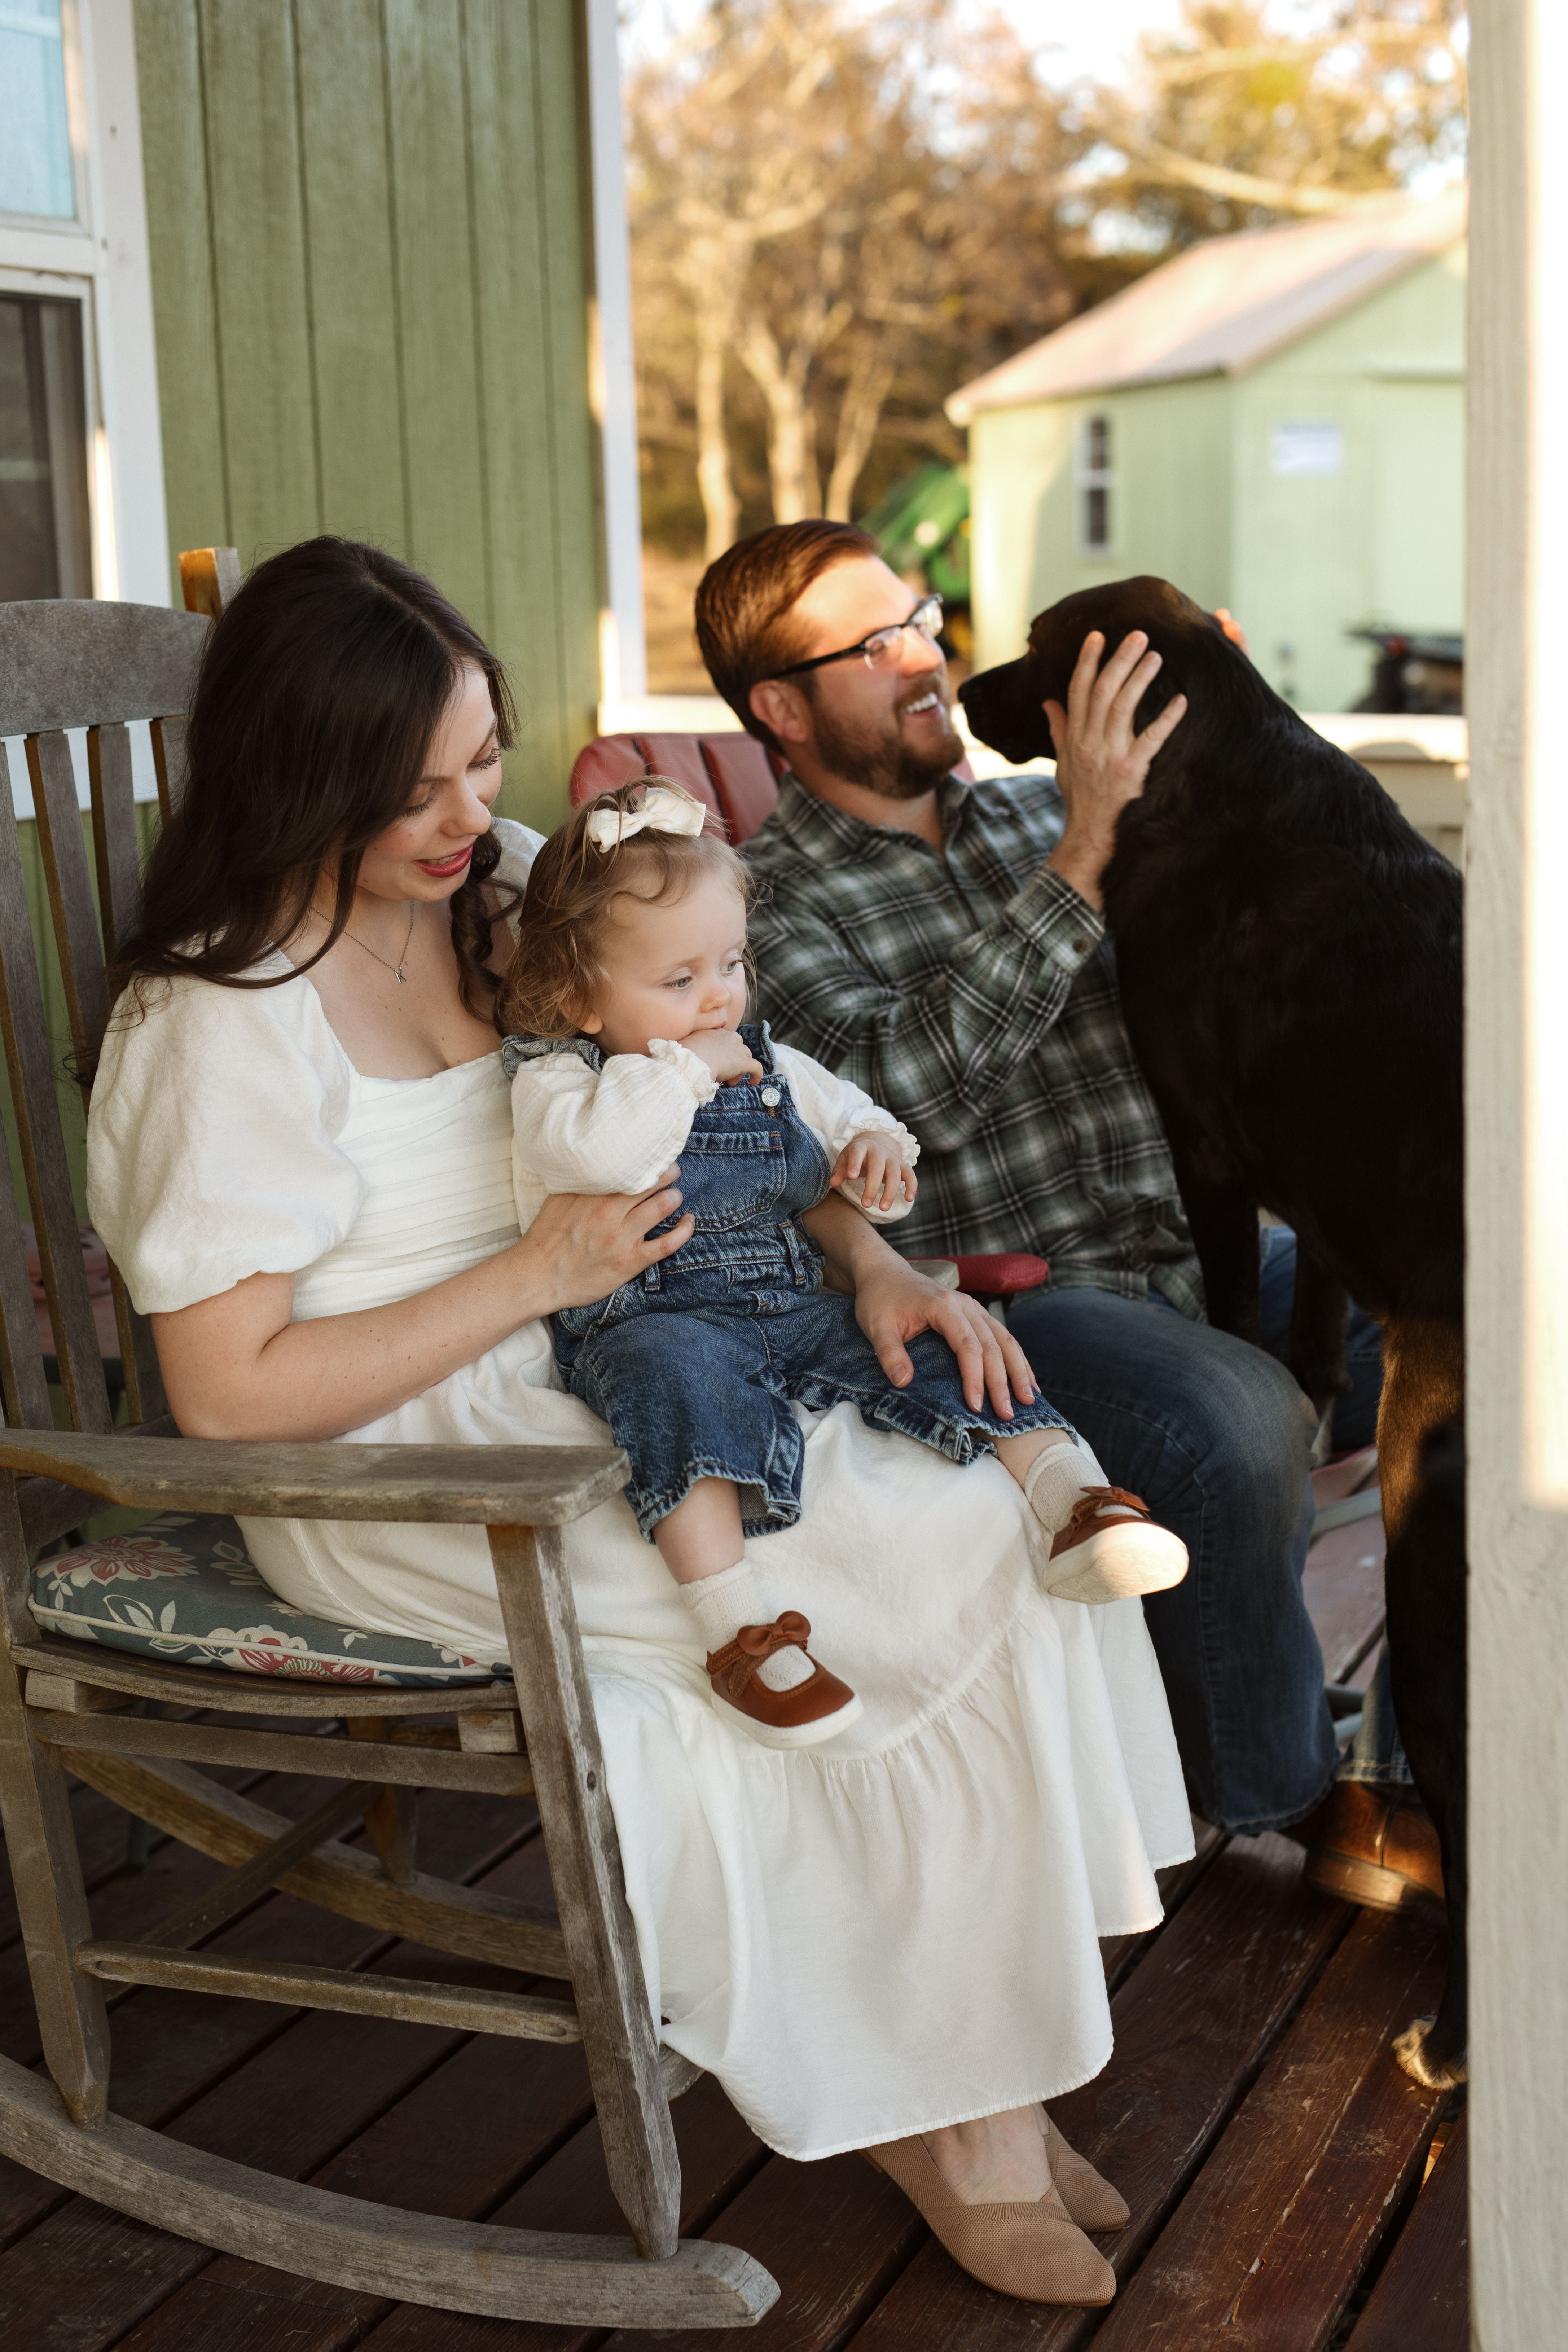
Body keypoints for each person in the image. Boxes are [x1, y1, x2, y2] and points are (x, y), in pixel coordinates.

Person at [84, 537, 1196, 2311]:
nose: (474, 811)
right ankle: (946, 2119)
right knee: (862, 1555)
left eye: (482, 755)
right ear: (305, 772)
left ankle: (978, 2063)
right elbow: (230, 1396)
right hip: (398, 1454)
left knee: (970, 1509)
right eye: (423, 783)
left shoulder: (514, 891)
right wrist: (535, 1271)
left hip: (632, 1342)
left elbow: (721, 1087)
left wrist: (877, 1262)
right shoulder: (215, 1021)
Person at [696, 520, 1428, 1889]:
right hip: (1020, 1305)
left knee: (1499, 1333)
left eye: (918, 619)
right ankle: (1286, 1799)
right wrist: (1083, 856)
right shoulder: (758, 904)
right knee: (1235, 1420)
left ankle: (1416, 1755)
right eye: (873, 646)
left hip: (1210, 1258)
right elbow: (879, 1106)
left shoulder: (1048, 803)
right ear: (779, 710)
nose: (924, 661)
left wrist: (1222, 707)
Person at [498, 777, 1189, 1747]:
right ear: (576, 998)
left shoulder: (763, 1059)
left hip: (790, 1299)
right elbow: (610, 1157)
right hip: (652, 1320)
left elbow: (860, 1122)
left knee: (943, 1351)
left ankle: (1073, 1502)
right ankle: (738, 1631)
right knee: (670, 1394)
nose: (718, 998)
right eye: (679, 980)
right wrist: (690, 1070)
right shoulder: (560, 1086)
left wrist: (875, 1159)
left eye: (731, 963)